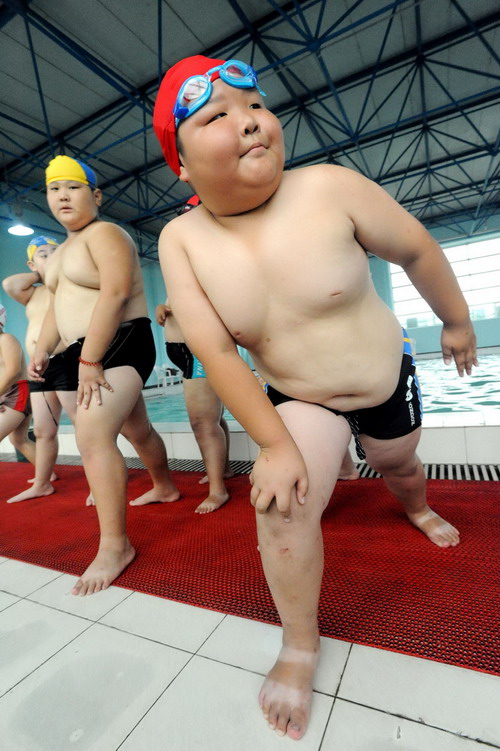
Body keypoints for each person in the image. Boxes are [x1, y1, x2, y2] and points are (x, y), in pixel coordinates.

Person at [153, 56, 477, 741]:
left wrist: (455, 320)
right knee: (279, 500)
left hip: (383, 380)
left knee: (400, 466)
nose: (248, 121)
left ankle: (413, 503)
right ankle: (299, 644)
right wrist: (273, 444)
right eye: (217, 116)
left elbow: (415, 249)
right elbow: (215, 350)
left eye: (256, 107)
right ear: (179, 164)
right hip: (302, 399)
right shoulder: (182, 239)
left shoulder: (328, 188)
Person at [28, 154, 180, 596]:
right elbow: (57, 309)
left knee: (92, 435)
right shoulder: (59, 257)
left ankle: (116, 546)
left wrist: (90, 361)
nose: (62, 196)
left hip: (122, 339)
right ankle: (165, 487)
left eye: (72, 187)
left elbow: (113, 294)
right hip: (87, 348)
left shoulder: (106, 233)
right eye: (54, 190)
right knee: (137, 429)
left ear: (95, 195)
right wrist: (41, 348)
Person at [2, 236, 72, 503]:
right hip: (39, 368)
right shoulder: (33, 293)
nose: (51, 255)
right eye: (43, 253)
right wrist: (39, 269)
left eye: (56, 251)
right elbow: (10, 283)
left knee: (85, 427)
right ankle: (42, 483)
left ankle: (99, 483)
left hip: (65, 361)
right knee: (43, 431)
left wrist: (53, 265)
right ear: (32, 264)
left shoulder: (66, 289)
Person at [152, 296, 232, 513]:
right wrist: (163, 307)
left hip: (197, 351)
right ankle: (223, 470)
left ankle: (218, 491)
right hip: (184, 351)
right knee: (214, 418)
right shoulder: (180, 268)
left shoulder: (207, 265)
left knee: (202, 422)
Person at [0, 305, 36, 471]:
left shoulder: (6, 339)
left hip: (18, 392)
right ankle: (47, 475)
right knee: (19, 439)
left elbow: (13, 371)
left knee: (19, 439)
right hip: (5, 394)